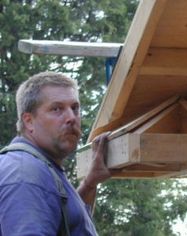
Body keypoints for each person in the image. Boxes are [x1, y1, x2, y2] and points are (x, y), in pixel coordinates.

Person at [0, 71, 111, 235]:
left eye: (75, 108)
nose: (71, 117)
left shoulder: (42, 167)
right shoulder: (25, 174)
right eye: (57, 109)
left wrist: (89, 184)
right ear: (29, 121)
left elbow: (67, 221)